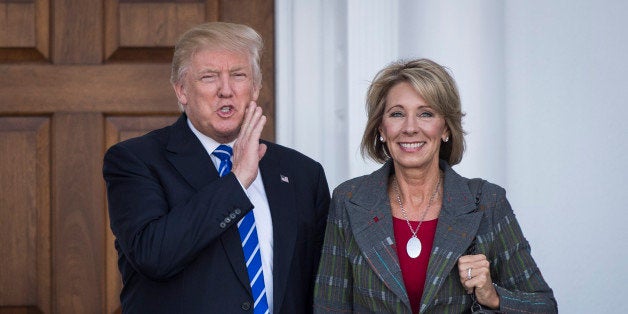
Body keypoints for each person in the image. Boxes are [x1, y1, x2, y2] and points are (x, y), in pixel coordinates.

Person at [103, 22, 330, 313]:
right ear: (182, 90)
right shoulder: (135, 160)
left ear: (255, 88)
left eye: (238, 75)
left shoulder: (302, 173)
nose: (226, 90)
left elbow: (322, 284)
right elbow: (154, 255)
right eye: (209, 77)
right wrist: (237, 182)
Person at [313, 58, 557, 313]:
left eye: (425, 114)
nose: (410, 128)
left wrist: (492, 296)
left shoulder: (487, 202)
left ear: (446, 129)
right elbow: (329, 307)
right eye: (397, 114)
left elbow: (545, 307)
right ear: (381, 129)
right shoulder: (349, 200)